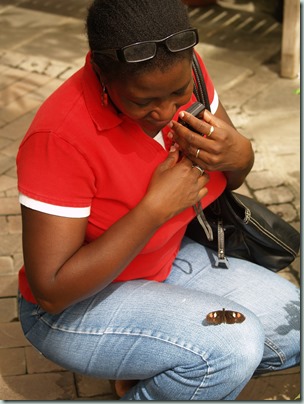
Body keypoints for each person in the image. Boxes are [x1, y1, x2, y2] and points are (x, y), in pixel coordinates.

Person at [17, 0, 299, 400]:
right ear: (100, 73)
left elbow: (231, 176)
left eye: (177, 94)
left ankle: (153, 369)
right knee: (233, 347)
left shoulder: (185, 68)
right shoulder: (59, 137)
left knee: (297, 327)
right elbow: (52, 290)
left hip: (164, 263)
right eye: (142, 102)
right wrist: (153, 210)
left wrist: (242, 155)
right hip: (74, 308)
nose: (166, 111)